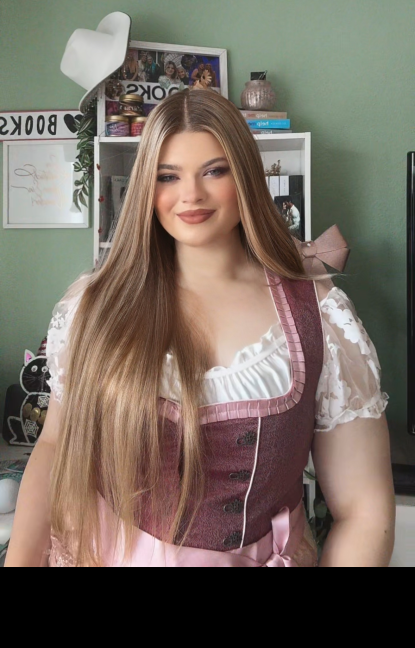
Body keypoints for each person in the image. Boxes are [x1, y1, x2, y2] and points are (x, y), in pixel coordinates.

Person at [5, 90, 395, 567]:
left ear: (246, 176)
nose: (190, 195)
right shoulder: (92, 308)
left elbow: (364, 509)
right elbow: (53, 450)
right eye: (168, 176)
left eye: (214, 171)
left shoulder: (321, 318)